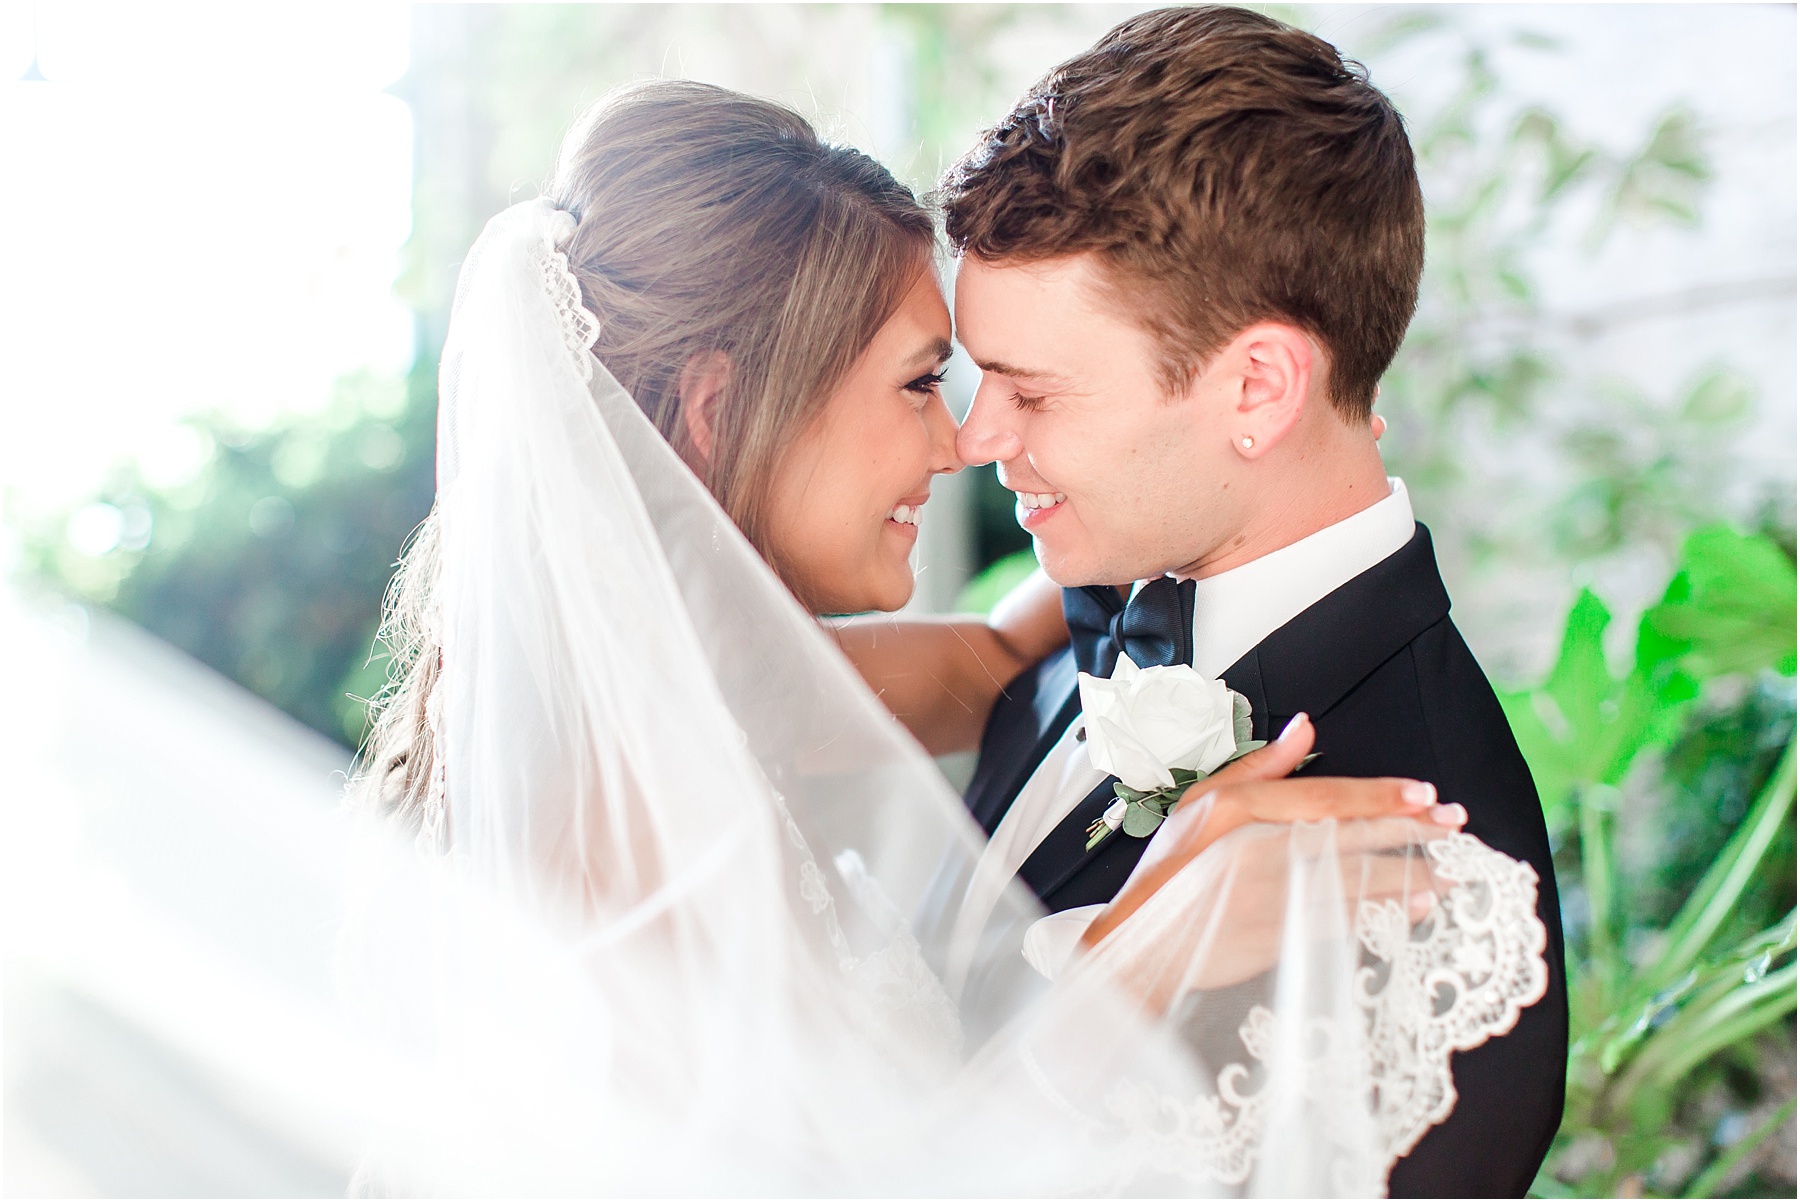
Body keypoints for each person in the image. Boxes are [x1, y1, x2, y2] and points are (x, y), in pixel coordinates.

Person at [343, 75, 1550, 1196]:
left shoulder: (703, 674)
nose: (964, 439)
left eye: (1021, 385)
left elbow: (983, 659)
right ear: (719, 410)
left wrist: (1304, 424)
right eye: (931, 381)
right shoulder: (617, 823)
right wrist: (1127, 971)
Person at [933, 7, 1568, 1196]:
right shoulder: (1111, 580)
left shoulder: (1429, 892)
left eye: (1032, 392)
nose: (975, 438)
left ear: (1259, 388)